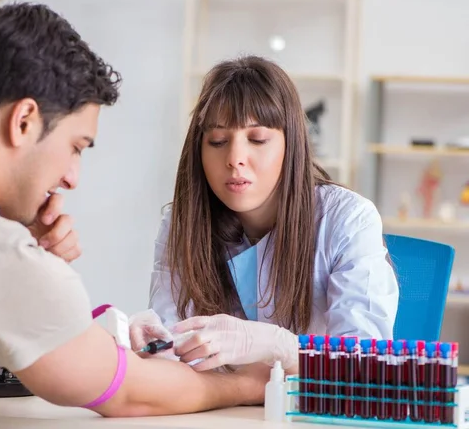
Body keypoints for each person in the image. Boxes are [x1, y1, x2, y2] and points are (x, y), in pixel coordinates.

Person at [0, 4, 271, 429]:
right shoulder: (5, 260)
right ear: (23, 121)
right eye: (76, 146)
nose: (71, 178)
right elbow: (133, 395)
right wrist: (248, 383)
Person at [130, 56, 399, 374]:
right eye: (217, 141)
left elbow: (365, 366)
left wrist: (279, 347)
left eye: (257, 140)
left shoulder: (348, 220)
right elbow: (173, 351)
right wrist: (153, 347)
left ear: (291, 144)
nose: (234, 159)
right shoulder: (182, 225)